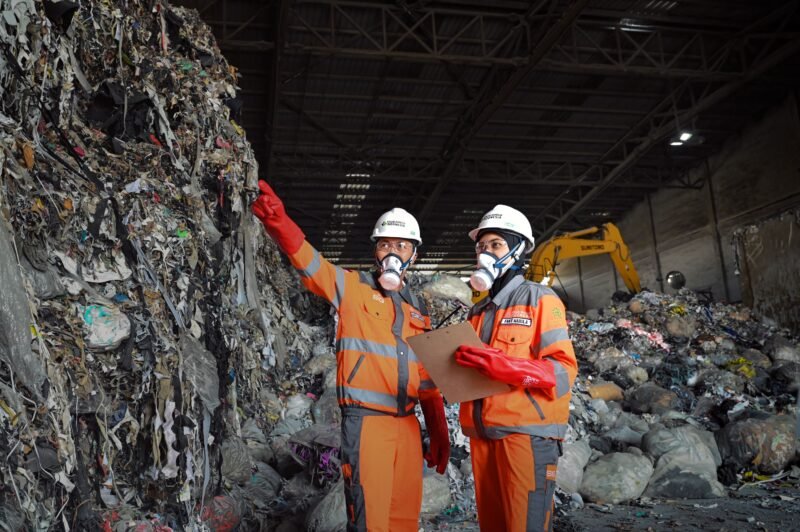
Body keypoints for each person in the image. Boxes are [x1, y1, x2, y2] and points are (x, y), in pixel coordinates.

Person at [251, 181, 449, 532]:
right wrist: (278, 221)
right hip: (368, 422)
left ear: (414, 254)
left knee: (404, 515)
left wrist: (438, 431)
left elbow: (427, 378)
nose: (392, 252)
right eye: (385, 244)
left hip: (407, 425)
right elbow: (311, 263)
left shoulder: (418, 309)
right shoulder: (352, 287)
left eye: (401, 245)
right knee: (370, 516)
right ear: (375, 251)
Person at [454, 205, 578, 532]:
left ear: (518, 249)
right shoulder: (477, 312)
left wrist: (507, 367)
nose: (485, 252)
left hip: (526, 436)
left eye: (496, 245)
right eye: (481, 246)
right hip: (483, 435)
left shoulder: (541, 299)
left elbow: (563, 371)